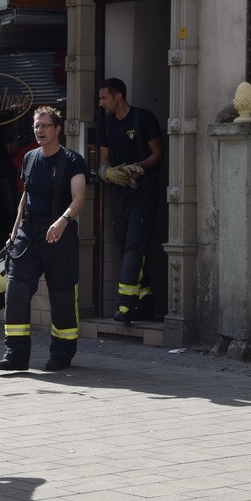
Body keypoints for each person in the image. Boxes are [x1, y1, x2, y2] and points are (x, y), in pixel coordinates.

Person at [0, 106, 89, 372]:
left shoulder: (73, 161)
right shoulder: (30, 158)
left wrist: (63, 221)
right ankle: (15, 354)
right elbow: (24, 199)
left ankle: (61, 353)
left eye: (46, 126)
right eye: (37, 126)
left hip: (59, 231)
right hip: (29, 232)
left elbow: (79, 197)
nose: (40, 130)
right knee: (16, 289)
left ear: (57, 129)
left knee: (61, 294)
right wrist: (14, 234)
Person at [97, 78, 164, 323]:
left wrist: (138, 167)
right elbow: (104, 159)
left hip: (144, 190)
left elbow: (158, 154)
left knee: (134, 245)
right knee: (125, 243)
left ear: (118, 96)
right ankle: (145, 299)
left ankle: (125, 305)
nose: (101, 103)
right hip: (120, 191)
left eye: (104, 98)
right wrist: (108, 172)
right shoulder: (106, 124)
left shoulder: (143, 118)